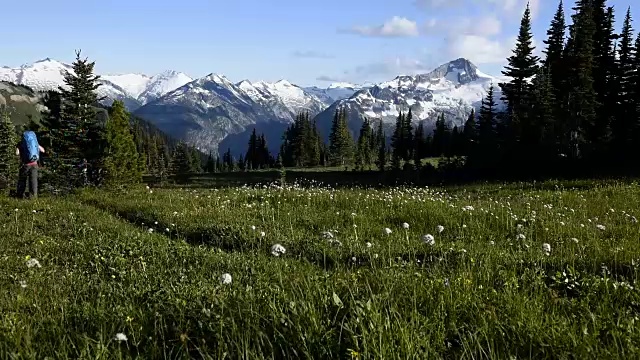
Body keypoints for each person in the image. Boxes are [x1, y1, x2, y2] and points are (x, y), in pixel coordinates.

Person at [15, 130, 45, 199]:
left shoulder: (21, 143)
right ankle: (33, 197)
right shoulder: (35, 143)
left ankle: (19, 196)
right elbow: (43, 150)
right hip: (34, 164)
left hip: (25, 165)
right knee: (33, 181)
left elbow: (17, 153)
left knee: (22, 180)